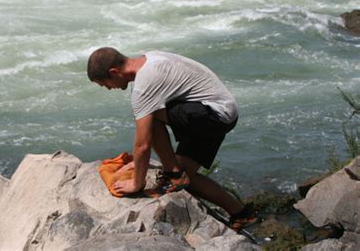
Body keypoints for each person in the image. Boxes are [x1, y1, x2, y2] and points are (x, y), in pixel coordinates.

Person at [87, 47, 257, 230]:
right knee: (187, 178)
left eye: (104, 83)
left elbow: (143, 144)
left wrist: (136, 183)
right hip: (221, 110)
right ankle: (242, 214)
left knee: (149, 117)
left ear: (114, 72)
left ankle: (172, 173)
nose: (107, 88)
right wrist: (139, 162)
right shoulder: (150, 58)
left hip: (213, 113)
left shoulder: (143, 85)